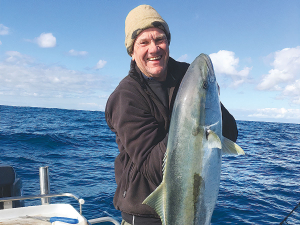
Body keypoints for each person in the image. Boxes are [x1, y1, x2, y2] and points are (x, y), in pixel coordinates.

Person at [105, 5, 238, 225]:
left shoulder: (187, 75)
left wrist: (210, 97)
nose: (154, 49)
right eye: (144, 42)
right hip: (142, 217)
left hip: (195, 209)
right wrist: (191, 122)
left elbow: (230, 134)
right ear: (132, 51)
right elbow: (152, 167)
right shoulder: (125, 97)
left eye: (160, 39)